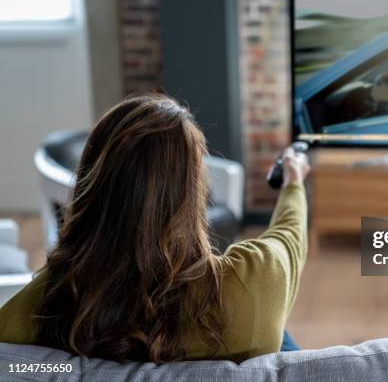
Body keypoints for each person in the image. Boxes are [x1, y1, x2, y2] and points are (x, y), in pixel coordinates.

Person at [0, 94, 310, 363]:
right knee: (277, 333)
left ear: (90, 187)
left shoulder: (42, 305)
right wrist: (293, 182)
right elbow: (289, 235)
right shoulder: (252, 285)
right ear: (190, 193)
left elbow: (14, 366)